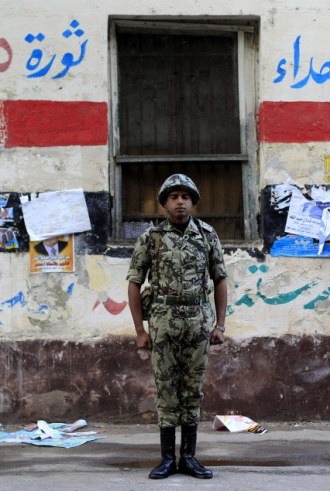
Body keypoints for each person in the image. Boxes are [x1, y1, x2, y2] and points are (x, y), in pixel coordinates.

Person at [126, 174, 227, 480]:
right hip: (163, 323)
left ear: (193, 201)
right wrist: (140, 331)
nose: (180, 201)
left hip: (198, 322)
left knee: (193, 390)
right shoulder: (150, 238)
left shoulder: (207, 236)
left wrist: (220, 324)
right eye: (173, 196)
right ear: (165, 203)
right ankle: (167, 458)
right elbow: (134, 282)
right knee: (167, 390)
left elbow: (220, 279)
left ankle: (190, 458)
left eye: (185, 196)